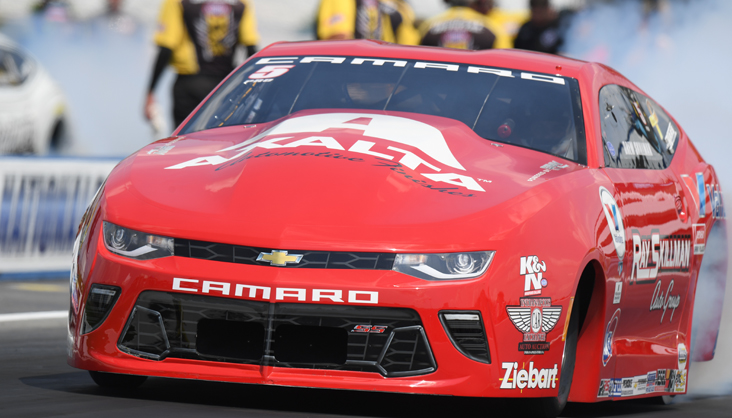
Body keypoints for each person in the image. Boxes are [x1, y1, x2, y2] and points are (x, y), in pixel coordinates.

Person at [145, 0, 259, 128]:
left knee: (184, 137)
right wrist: (258, 90)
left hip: (189, 85)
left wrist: (150, 92)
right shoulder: (241, 3)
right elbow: (251, 48)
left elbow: (166, 48)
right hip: (226, 86)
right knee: (221, 136)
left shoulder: (177, 2)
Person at [419, 0, 509, 50]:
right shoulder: (492, 27)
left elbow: (412, 58)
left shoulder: (427, 26)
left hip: (435, 76)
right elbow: (504, 60)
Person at [316, 0, 395, 42]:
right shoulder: (339, 1)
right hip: (353, 63)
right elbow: (337, 40)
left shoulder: (389, 3)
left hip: (381, 58)